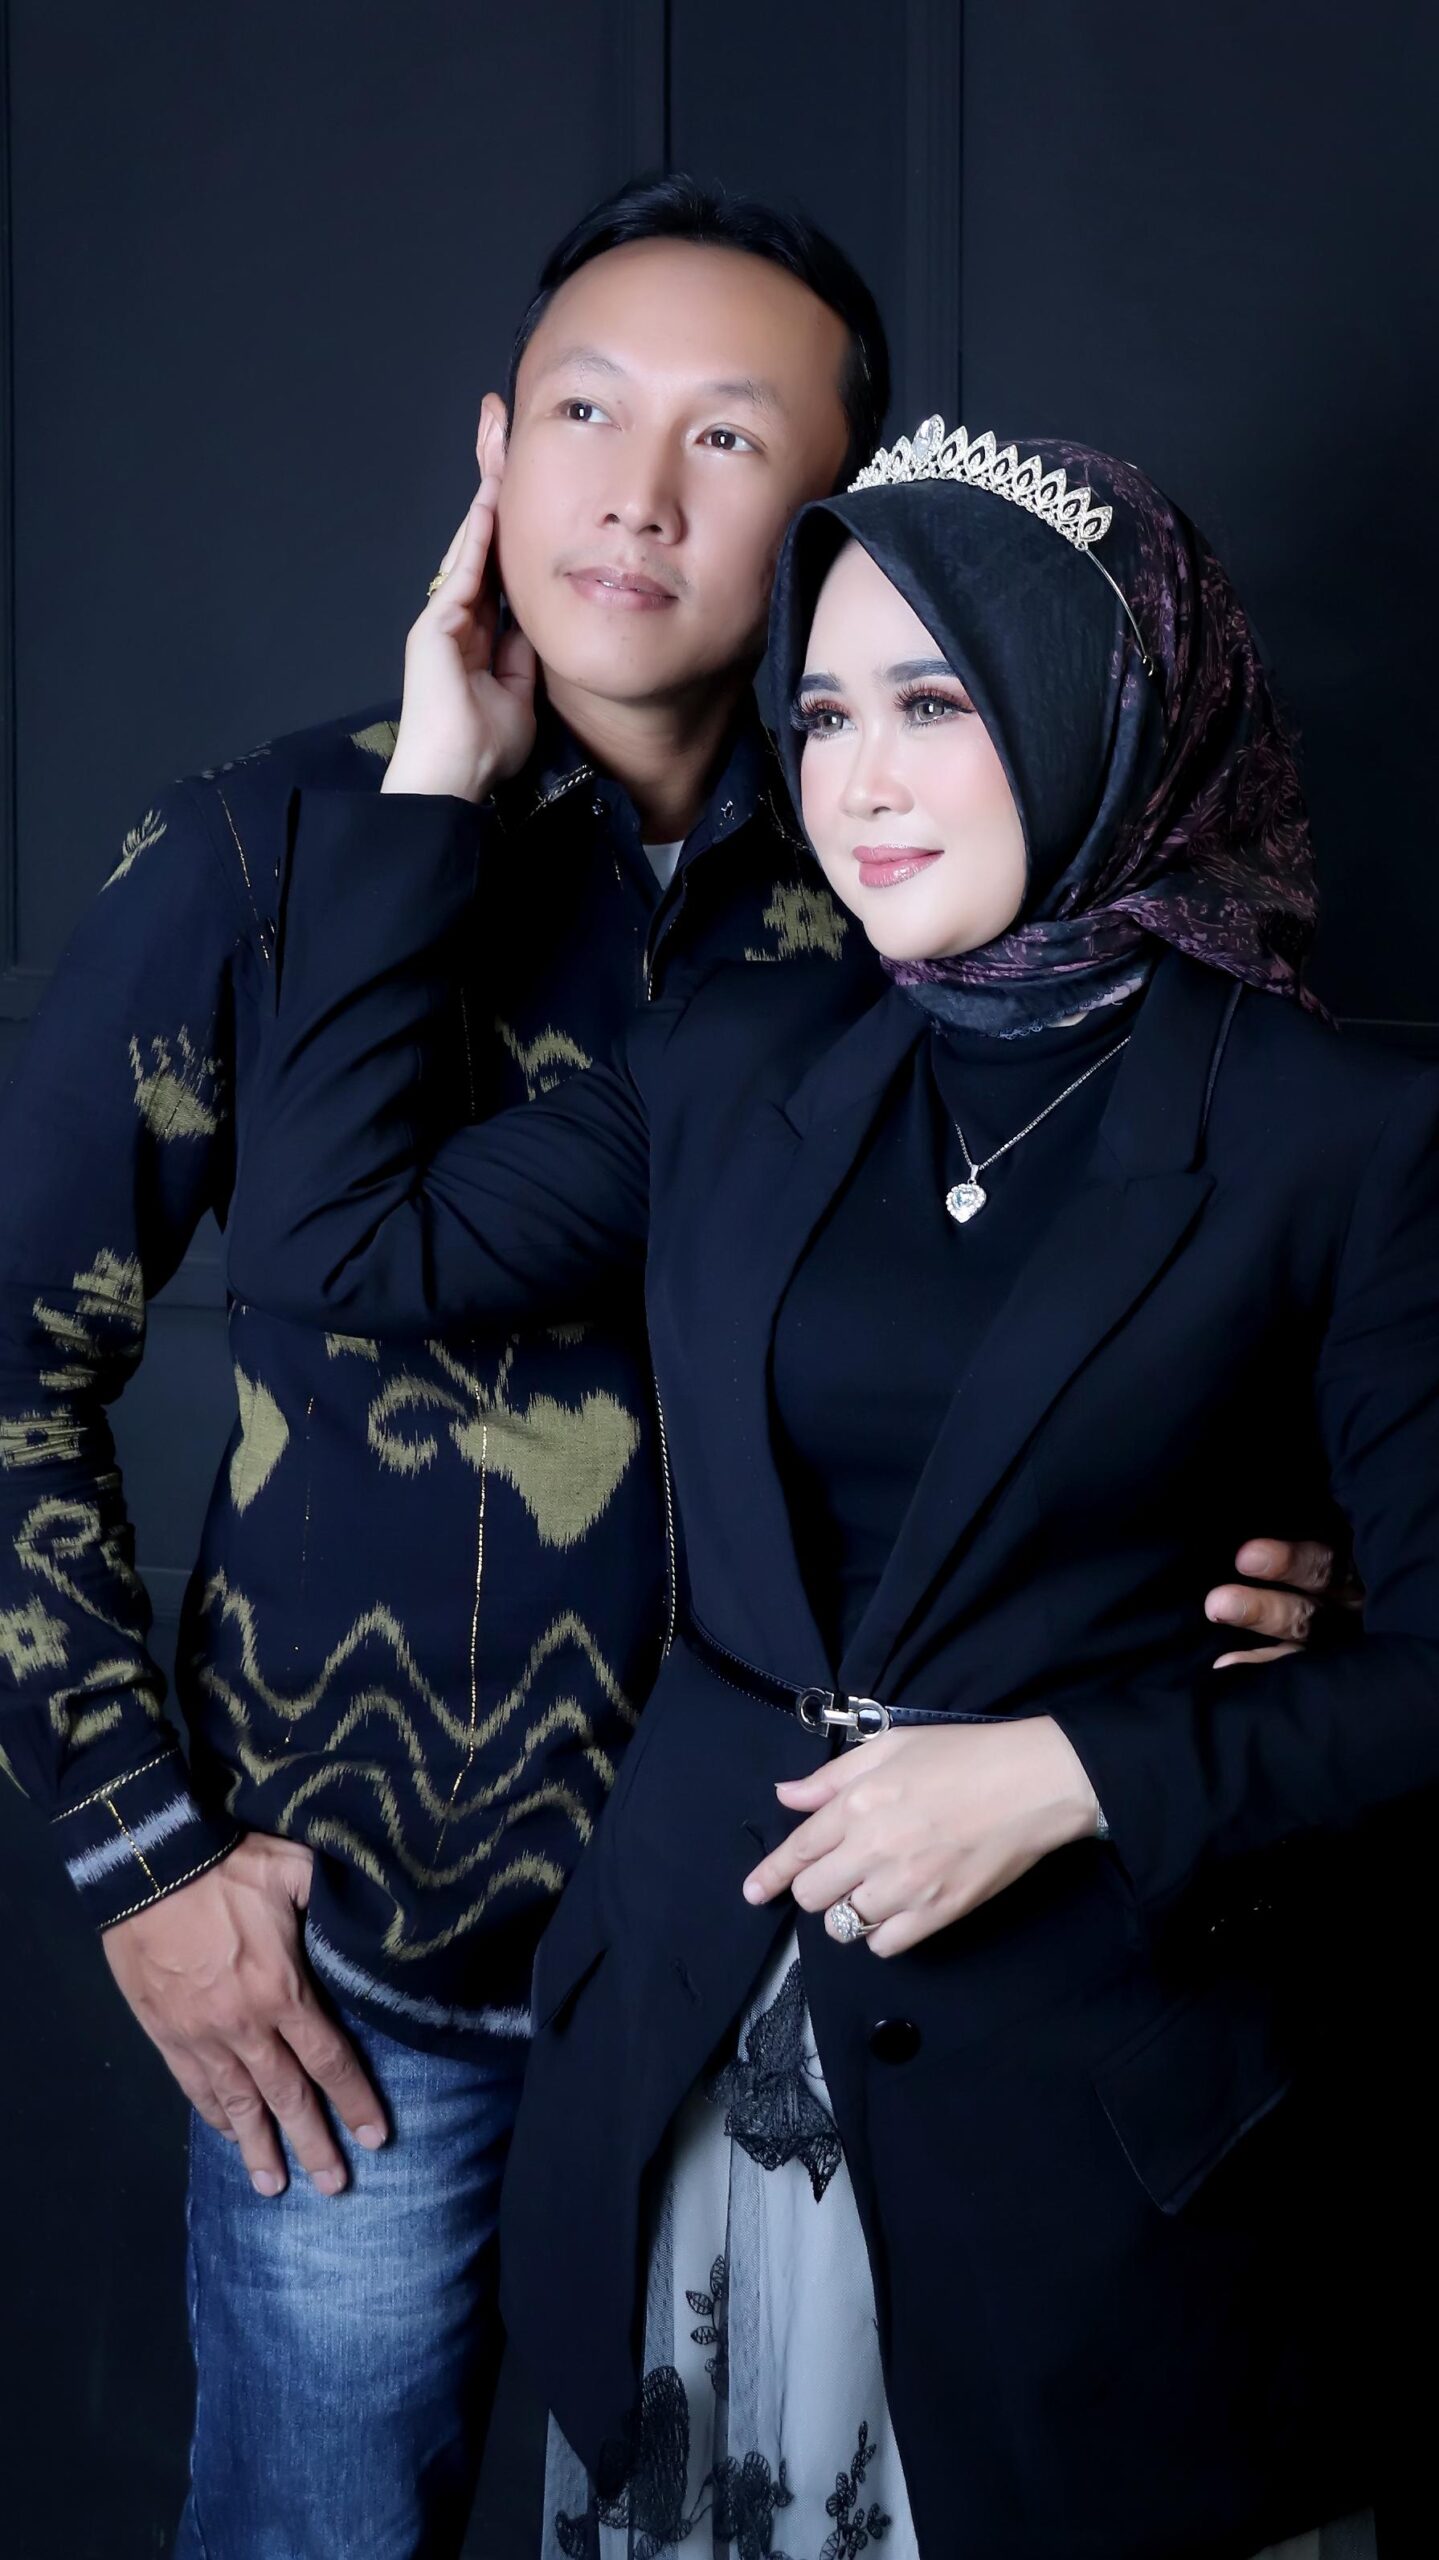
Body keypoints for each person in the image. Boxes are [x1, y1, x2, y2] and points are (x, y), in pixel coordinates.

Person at [0, 168, 1326, 2550]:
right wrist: (142, 1857)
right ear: (490, 447)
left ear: (840, 514)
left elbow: (1134, 1300)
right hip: (370, 1981)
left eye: (728, 437)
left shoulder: (917, 870)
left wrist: (1261, 1547)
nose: (633, 492)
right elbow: (16, 1361)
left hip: (795, 1971)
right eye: (585, 412)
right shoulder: (262, 858)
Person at [223, 418, 1439, 2559]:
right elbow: (334, 1240)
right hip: (689, 2069)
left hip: (1087, 2155)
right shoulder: (738, 1057)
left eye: (937, 704)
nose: (860, 781)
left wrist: (1073, 1770)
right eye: (824, 714)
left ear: (1109, 710)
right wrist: (441, 781)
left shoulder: (1345, 1134)